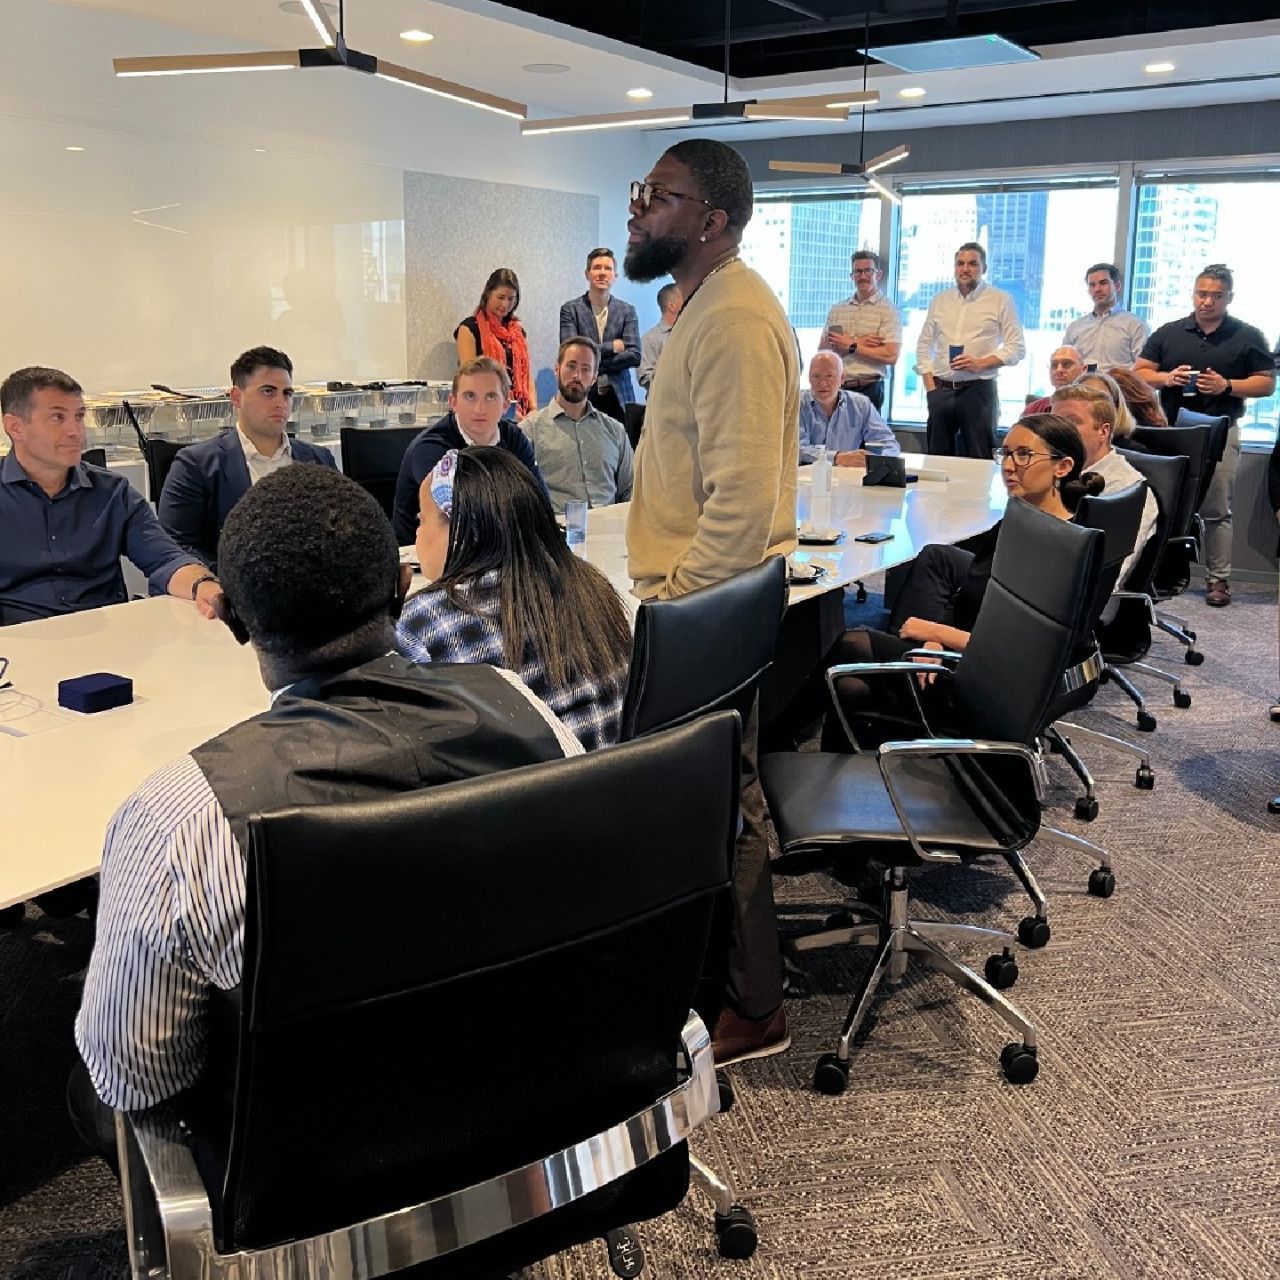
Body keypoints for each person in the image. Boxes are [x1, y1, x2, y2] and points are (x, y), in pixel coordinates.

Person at [72, 466, 583, 1147]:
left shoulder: (183, 817)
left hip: (315, 1185)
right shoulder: (523, 711)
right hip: (528, 1116)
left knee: (89, 1090)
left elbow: (133, 1077)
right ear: (404, 591)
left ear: (232, 620)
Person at [624, 137, 797, 1066]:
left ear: (712, 221)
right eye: (645, 191)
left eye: (664, 195)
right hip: (702, 601)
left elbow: (739, 500)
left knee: (722, 807)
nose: (642, 208)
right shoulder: (707, 305)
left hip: (707, 609)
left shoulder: (730, 319)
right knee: (707, 798)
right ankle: (722, 976)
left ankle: (755, 1004)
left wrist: (677, 608)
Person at [819, 414, 1104, 749]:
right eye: (1006, 453)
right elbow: (970, 595)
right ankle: (841, 776)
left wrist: (937, 633)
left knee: (849, 658)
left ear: (1063, 466)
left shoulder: (1060, 546)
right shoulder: (1021, 520)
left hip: (1000, 685)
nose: (1009, 466)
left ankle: (813, 770)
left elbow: (1022, 653)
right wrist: (935, 642)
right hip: (973, 658)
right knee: (852, 682)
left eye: (1024, 455)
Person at [396, 446, 631, 751]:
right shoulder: (590, 585)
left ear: (458, 530)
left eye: (421, 520)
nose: (417, 535)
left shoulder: (424, 621)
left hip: (523, 797)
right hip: (621, 787)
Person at [1, 365, 223, 626]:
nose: (76, 431)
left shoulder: (112, 492)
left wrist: (204, 585)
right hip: (19, 641)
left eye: (79, 416)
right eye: (58, 418)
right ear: (15, 427)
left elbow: (166, 559)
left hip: (106, 636)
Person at [1134, 264, 1275, 607]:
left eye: (1216, 295)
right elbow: (1139, 372)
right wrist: (1168, 379)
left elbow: (1267, 383)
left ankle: (1218, 580)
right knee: (1159, 505)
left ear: (1229, 298)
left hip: (1221, 431)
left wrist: (1226, 385)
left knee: (1216, 509)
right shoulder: (1169, 332)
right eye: (1202, 293)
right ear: (1193, 293)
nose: (1207, 301)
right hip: (1169, 432)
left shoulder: (1248, 335)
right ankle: (1151, 574)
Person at [158, 346, 336, 569]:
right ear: (236, 397)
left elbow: (339, 530)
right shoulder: (195, 465)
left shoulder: (319, 460)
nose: (281, 403)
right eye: (268, 391)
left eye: (287, 393)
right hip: (229, 590)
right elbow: (175, 547)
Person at [391, 357, 544, 544]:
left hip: (495, 550)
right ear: (453, 402)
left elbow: (539, 502)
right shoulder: (431, 448)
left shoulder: (514, 439)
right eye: (470, 396)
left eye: (490, 397)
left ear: (505, 404)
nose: (480, 409)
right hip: (422, 559)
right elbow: (461, 519)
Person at [915, 242, 1025, 458]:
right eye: (960, 264)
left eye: (973, 264)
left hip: (978, 391)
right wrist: (930, 388)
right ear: (955, 268)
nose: (965, 269)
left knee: (979, 458)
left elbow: (1017, 347)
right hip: (941, 389)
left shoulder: (1001, 300)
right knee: (937, 458)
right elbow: (923, 345)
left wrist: (980, 363)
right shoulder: (940, 300)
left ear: (984, 268)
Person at [1052, 385, 1158, 587]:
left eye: (1071, 422)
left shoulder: (1126, 490)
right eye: (1055, 422)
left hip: (1072, 599)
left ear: (1103, 431)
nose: (1058, 431)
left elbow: (1107, 578)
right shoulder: (1058, 470)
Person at [519, 337, 634, 513]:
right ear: (557, 369)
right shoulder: (529, 431)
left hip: (609, 530)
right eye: (571, 366)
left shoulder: (615, 430)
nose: (577, 376)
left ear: (594, 377)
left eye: (585, 369)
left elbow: (631, 488)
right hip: (557, 533)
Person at [559, 248, 641, 422]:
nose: (602, 273)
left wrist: (590, 364)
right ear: (587, 274)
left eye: (608, 268)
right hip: (583, 393)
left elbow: (635, 355)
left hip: (620, 398)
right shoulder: (571, 310)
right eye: (597, 267)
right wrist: (612, 347)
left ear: (615, 276)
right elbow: (569, 351)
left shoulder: (627, 311)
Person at [821, 249, 902, 412]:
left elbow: (891, 355)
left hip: (869, 388)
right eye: (858, 271)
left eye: (868, 271)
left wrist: (850, 345)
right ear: (852, 275)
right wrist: (859, 342)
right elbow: (823, 353)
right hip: (839, 388)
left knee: (867, 438)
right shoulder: (838, 310)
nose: (863, 276)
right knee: (836, 437)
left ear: (877, 275)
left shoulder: (889, 310)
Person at [454, 267, 536, 420]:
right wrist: (505, 411)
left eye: (511, 299)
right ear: (488, 294)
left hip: (522, 415)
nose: (505, 304)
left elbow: (527, 375)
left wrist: (533, 411)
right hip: (484, 414)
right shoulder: (469, 329)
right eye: (501, 297)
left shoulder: (518, 332)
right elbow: (469, 379)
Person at [799, 350, 899, 466]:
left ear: (842, 378)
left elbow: (888, 443)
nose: (822, 383)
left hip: (847, 477)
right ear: (809, 378)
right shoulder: (797, 404)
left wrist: (874, 461)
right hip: (807, 476)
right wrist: (837, 457)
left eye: (829, 376)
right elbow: (797, 450)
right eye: (816, 376)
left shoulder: (860, 404)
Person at [1062, 263, 1150, 369]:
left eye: (1103, 283)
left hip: (1118, 384)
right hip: (1081, 384)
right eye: (1092, 285)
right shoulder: (1075, 327)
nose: (1097, 289)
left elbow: (1143, 369)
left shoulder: (1135, 325)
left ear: (1117, 286)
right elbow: (1064, 364)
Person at [638, 282, 682, 390]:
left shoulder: (694, 332)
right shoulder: (649, 340)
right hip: (666, 404)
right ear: (672, 306)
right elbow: (645, 378)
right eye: (685, 298)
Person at [1077, 370, 1138, 442]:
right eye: (1083, 397)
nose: (1091, 404)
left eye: (1099, 398)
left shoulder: (1134, 450)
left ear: (1116, 406)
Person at [1024, 345, 1087, 414]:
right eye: (1054, 365)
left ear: (1083, 370)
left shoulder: (1093, 408)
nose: (1059, 370)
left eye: (1066, 364)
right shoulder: (1033, 409)